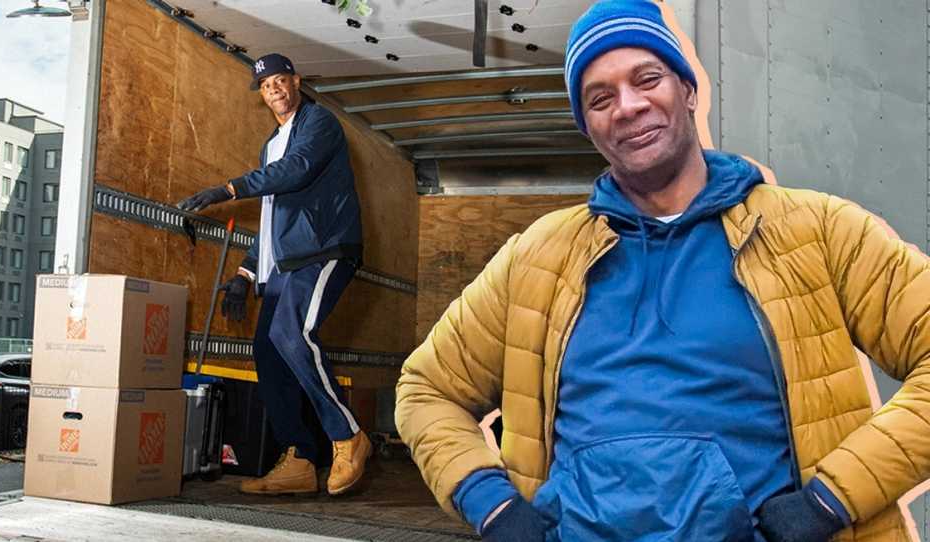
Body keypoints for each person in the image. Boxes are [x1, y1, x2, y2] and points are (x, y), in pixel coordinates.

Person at [395, 1, 930, 541]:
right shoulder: (538, 257)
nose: (627, 106)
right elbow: (425, 389)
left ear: (689, 90)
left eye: (646, 79)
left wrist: (830, 500)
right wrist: (492, 505)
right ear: (590, 128)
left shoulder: (815, 231)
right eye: (599, 98)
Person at [178, 53, 371, 497]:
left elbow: (296, 171)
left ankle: (347, 435)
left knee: (291, 334)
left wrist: (228, 189)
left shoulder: (319, 123)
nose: (275, 90)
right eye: (267, 86)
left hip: (325, 249)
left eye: (281, 81)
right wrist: (244, 274)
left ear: (296, 82)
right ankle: (300, 458)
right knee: (268, 350)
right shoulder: (271, 143)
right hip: (286, 259)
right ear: (262, 96)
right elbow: (271, 216)